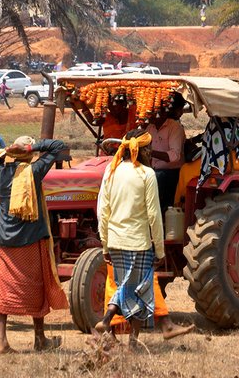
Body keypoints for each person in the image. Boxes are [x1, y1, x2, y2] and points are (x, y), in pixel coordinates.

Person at [0, 136, 68, 354]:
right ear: (28, 153)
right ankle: (39, 338)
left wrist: (8, 150)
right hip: (30, 241)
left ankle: (3, 342)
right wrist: (32, 146)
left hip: (4, 242)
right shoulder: (32, 173)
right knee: (37, 288)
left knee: (2, 290)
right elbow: (58, 146)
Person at [95, 128, 167, 349]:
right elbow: (154, 215)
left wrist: (105, 244)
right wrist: (160, 250)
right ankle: (114, 326)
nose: (151, 152)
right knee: (139, 288)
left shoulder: (110, 171)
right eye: (149, 148)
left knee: (127, 285)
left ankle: (123, 333)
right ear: (142, 149)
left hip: (115, 242)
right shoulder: (147, 174)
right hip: (138, 243)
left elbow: (102, 210)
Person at [147, 92, 186, 214]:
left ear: (163, 111)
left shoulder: (174, 127)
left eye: (154, 111)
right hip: (154, 171)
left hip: (170, 172)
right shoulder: (150, 127)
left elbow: (174, 156)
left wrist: (151, 153)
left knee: (158, 177)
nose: (150, 114)